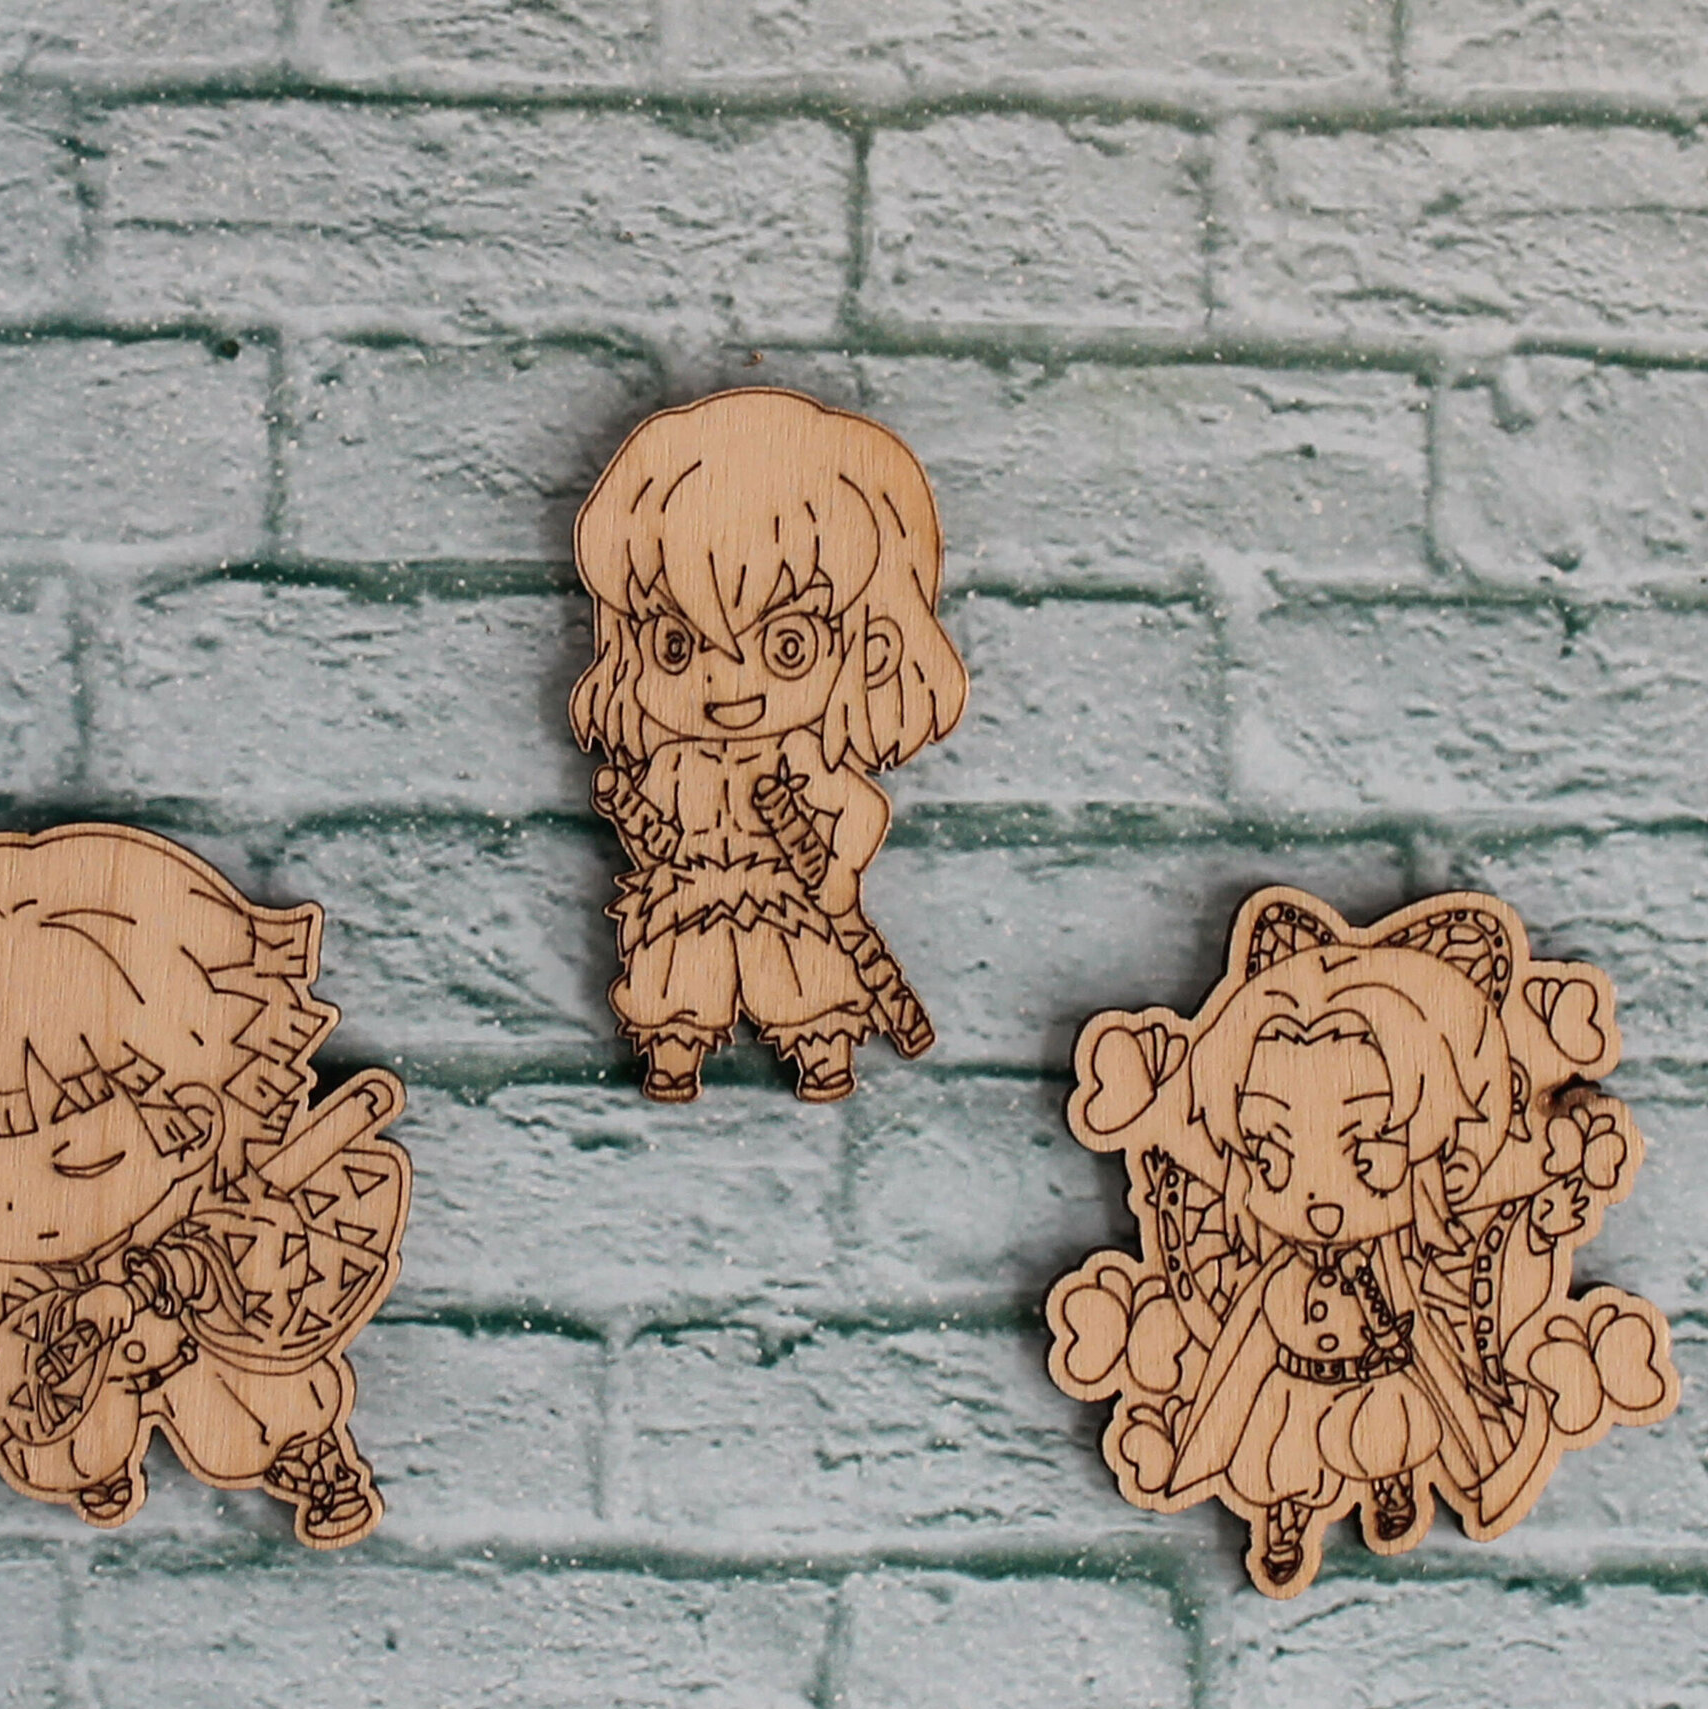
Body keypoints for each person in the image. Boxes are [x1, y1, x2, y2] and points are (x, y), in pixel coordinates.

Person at [0, 824, 410, 1547]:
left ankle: (311, 1461)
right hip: (72, 1371)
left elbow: (259, 1255)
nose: (16, 1207)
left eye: (80, 1160)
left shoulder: (220, 1211)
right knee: (65, 1427)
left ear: (191, 1124)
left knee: (248, 1405)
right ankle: (91, 1468)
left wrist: (163, 1279)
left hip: (201, 1338)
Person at [1048, 891, 1676, 1594]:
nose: (1318, 1201)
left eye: (1369, 1149)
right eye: (1274, 1153)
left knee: (1393, 1429)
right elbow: (1204, 1174)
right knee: (1283, 1452)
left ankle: (1394, 1484)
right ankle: (1285, 1519)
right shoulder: (1265, 1257)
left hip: (1382, 1366)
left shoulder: (1412, 1248)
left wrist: (1565, 1158)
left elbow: (1495, 1184)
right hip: (1293, 1374)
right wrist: (1152, 1114)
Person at [571, 388, 968, 1102]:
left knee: (803, 978)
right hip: (693, 891)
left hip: (786, 894)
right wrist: (643, 827)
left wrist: (840, 872)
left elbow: (861, 812)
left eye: (787, 645)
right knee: (677, 976)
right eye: (677, 644)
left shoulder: (803, 759)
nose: (725, 683)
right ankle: (673, 1055)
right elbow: (654, 832)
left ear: (871, 646)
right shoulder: (673, 760)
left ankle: (823, 1055)